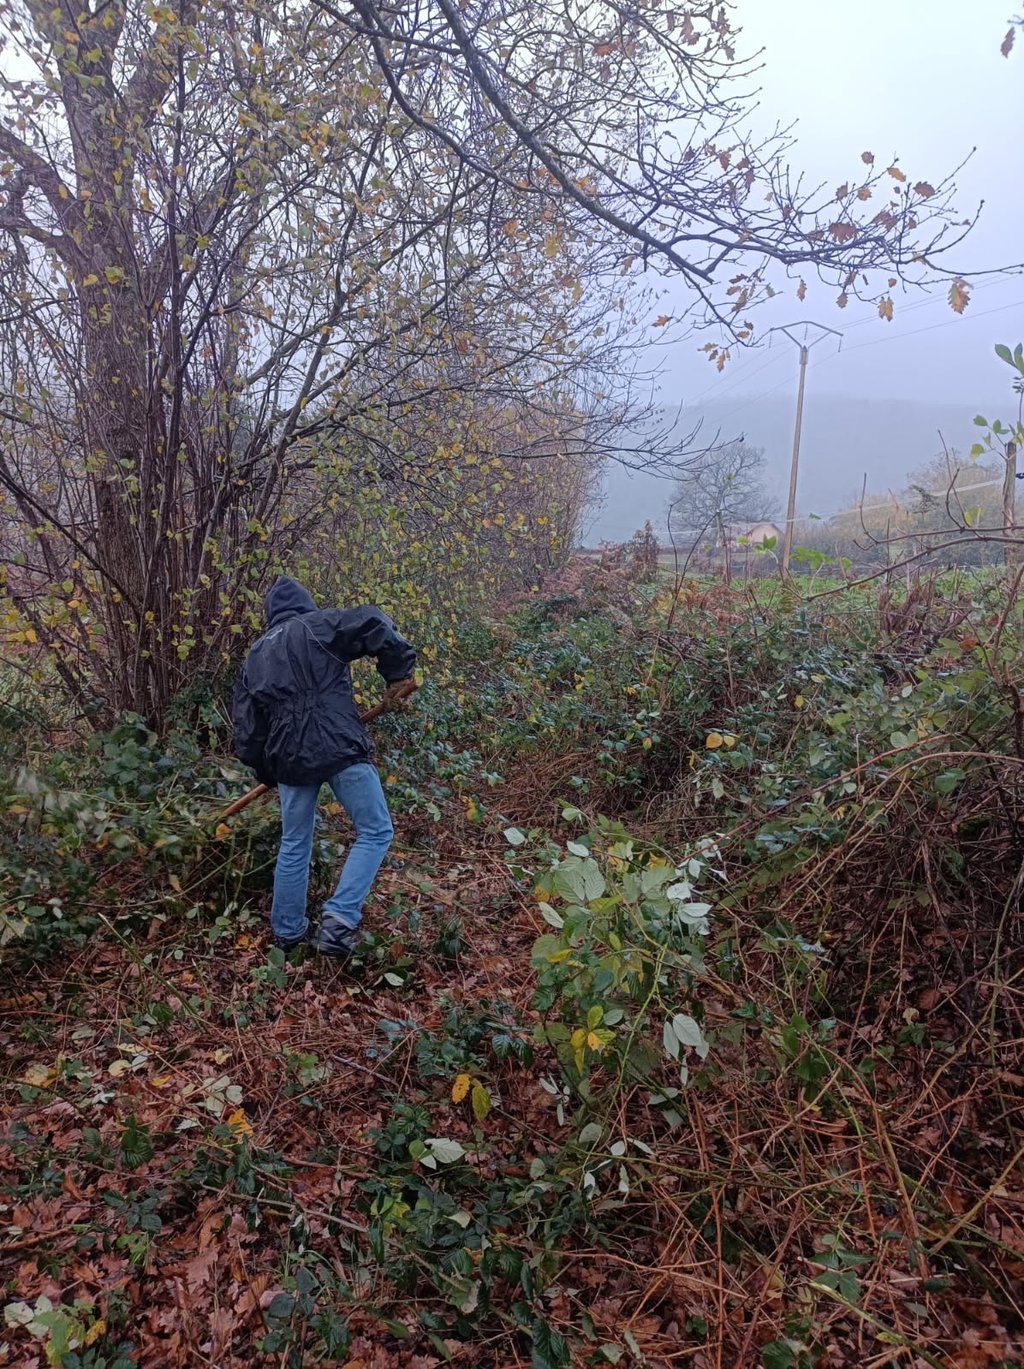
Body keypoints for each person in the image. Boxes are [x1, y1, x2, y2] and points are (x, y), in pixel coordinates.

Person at [232, 575, 416, 958]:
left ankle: (288, 933)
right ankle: (339, 920)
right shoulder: (320, 625)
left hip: (289, 760)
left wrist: (268, 770)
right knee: (375, 830)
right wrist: (398, 673)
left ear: (270, 615)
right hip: (339, 745)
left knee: (294, 842)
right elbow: (374, 621)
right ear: (304, 603)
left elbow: (248, 733)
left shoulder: (255, 657)